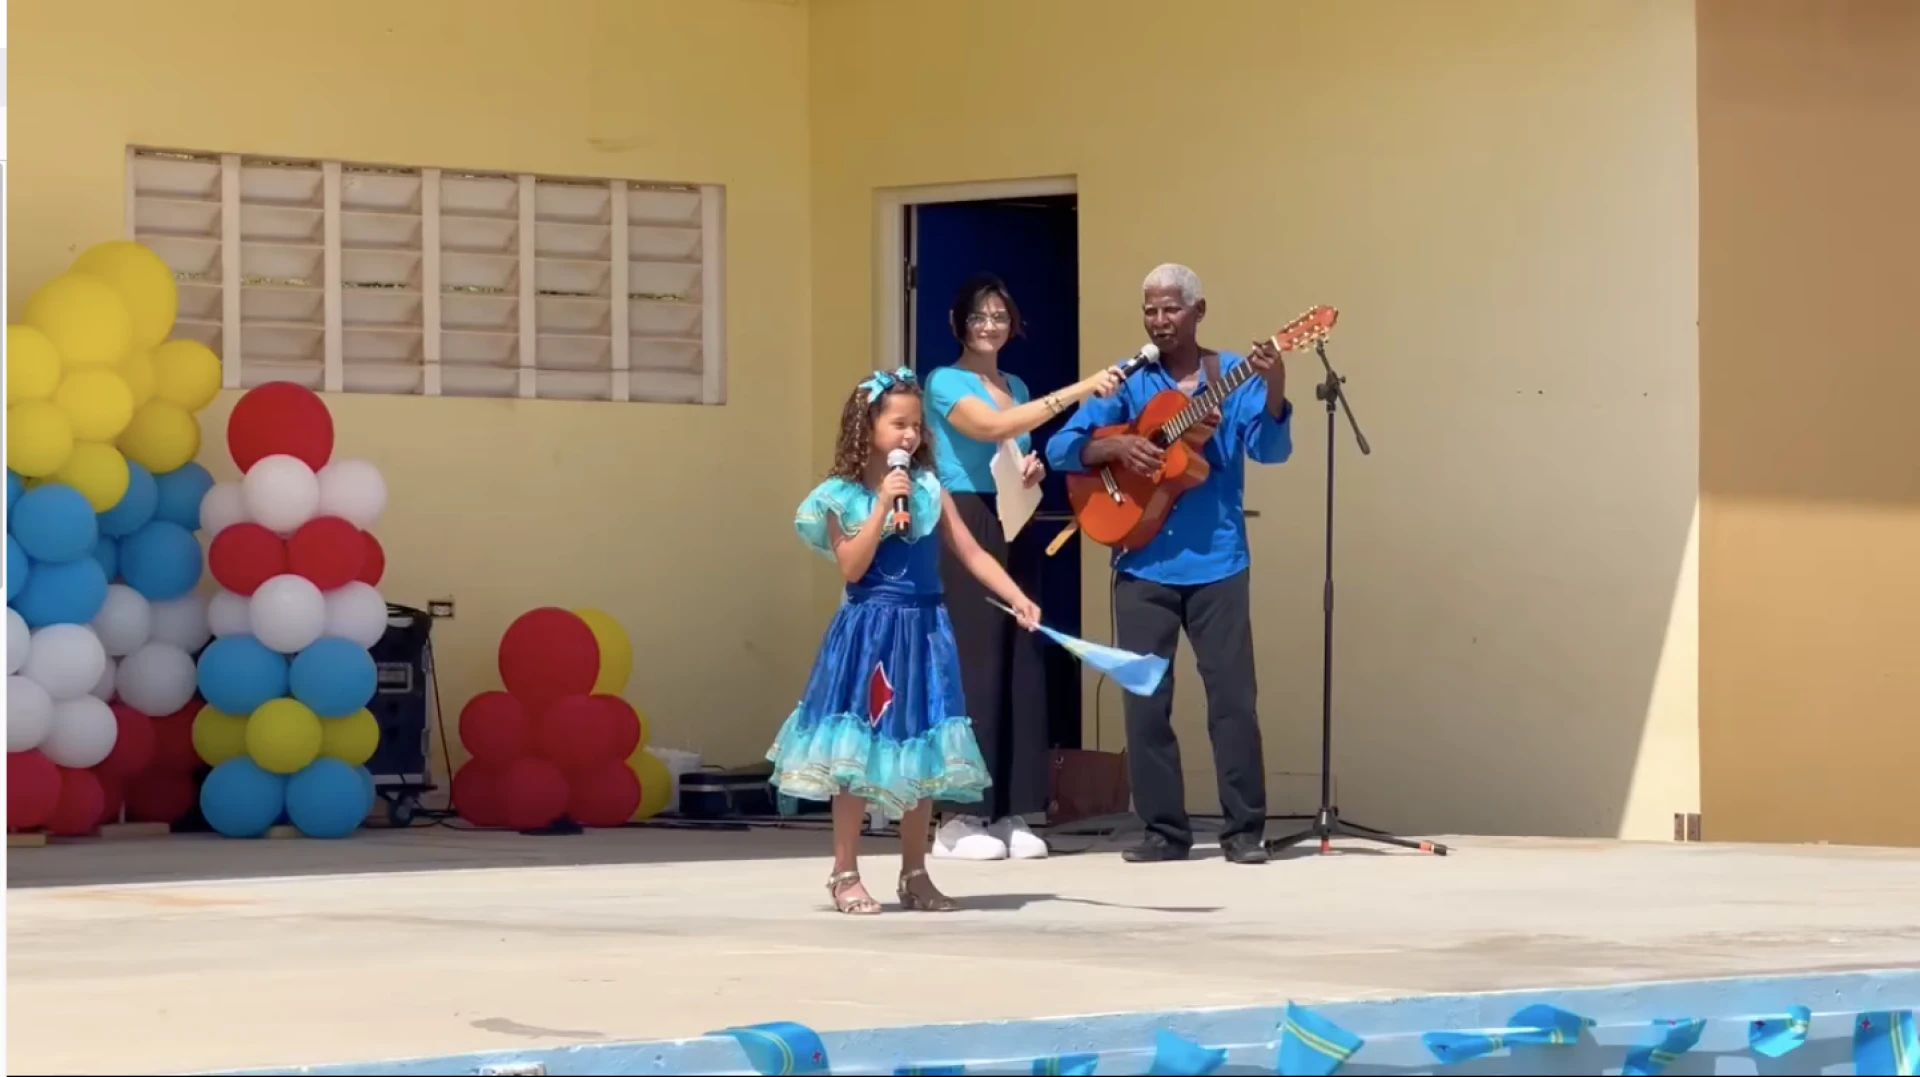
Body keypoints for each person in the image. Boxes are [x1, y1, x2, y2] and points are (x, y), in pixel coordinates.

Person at [769, 366, 1044, 914]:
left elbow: (969, 552)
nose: (910, 436)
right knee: (855, 758)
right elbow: (852, 566)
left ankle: (915, 873)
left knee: (921, 754)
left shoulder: (928, 487)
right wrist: (878, 507)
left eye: (916, 425)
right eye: (898, 424)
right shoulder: (838, 496)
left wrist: (1016, 595)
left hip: (923, 629)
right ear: (866, 426)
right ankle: (845, 873)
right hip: (870, 631)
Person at [1044, 263, 1293, 866]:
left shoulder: (1226, 375)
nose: (1159, 321)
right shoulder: (1128, 380)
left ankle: (1243, 831)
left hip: (1218, 561)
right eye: (1150, 310)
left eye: (1170, 309)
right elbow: (1058, 448)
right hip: (1142, 561)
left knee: (1232, 699)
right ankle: (1163, 831)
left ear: (1198, 311)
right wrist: (1113, 444)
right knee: (1145, 701)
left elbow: (1272, 448)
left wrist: (1276, 380)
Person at [922, 274, 1123, 861]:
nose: (991, 325)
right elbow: (989, 428)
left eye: (1000, 315)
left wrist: (1029, 472)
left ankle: (1009, 808)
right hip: (963, 519)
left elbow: (1010, 446)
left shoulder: (1015, 382)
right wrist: (1082, 389)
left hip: (1013, 519)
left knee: (1021, 663)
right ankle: (958, 815)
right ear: (959, 324)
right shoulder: (944, 382)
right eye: (980, 316)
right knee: (976, 665)